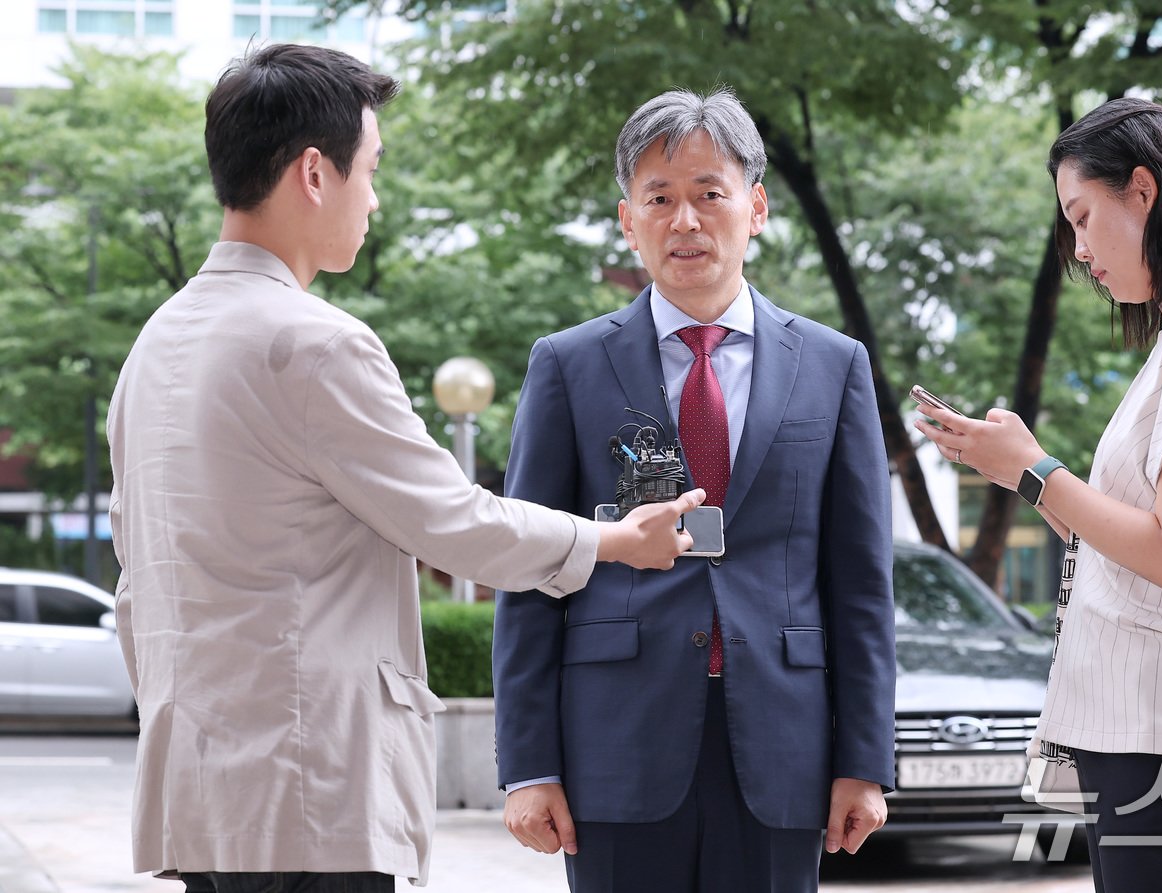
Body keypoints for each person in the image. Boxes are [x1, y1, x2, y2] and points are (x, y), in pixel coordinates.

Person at [106, 43, 703, 893]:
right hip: (310, 788)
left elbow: (137, 582)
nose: (374, 198)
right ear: (316, 172)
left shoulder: (154, 345)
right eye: (371, 169)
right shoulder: (313, 342)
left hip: (203, 791)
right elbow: (455, 521)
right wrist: (614, 540)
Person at [491, 87, 896, 893]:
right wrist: (527, 763)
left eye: (709, 194)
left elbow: (859, 584)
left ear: (756, 206)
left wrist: (864, 760)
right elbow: (531, 568)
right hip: (615, 745)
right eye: (660, 198)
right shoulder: (568, 366)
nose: (686, 221)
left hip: (782, 746)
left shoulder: (833, 364)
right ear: (626, 219)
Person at [917, 97, 1162, 892]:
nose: (1080, 250)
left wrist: (1038, 467)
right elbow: (1138, 541)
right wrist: (1018, 468)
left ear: (1144, 192)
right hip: (1161, 737)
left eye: (1084, 218)